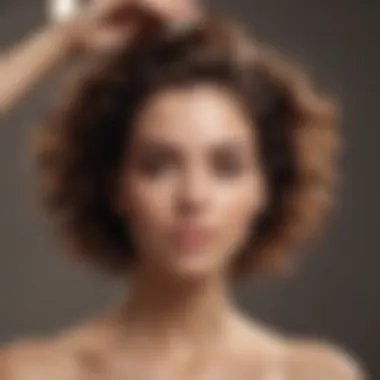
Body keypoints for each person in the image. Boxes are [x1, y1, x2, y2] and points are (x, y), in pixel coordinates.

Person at [0, 0, 366, 379]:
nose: (193, 197)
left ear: (264, 188)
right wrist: (61, 40)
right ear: (116, 187)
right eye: (158, 166)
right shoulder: (38, 372)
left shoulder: (312, 374)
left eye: (226, 167)